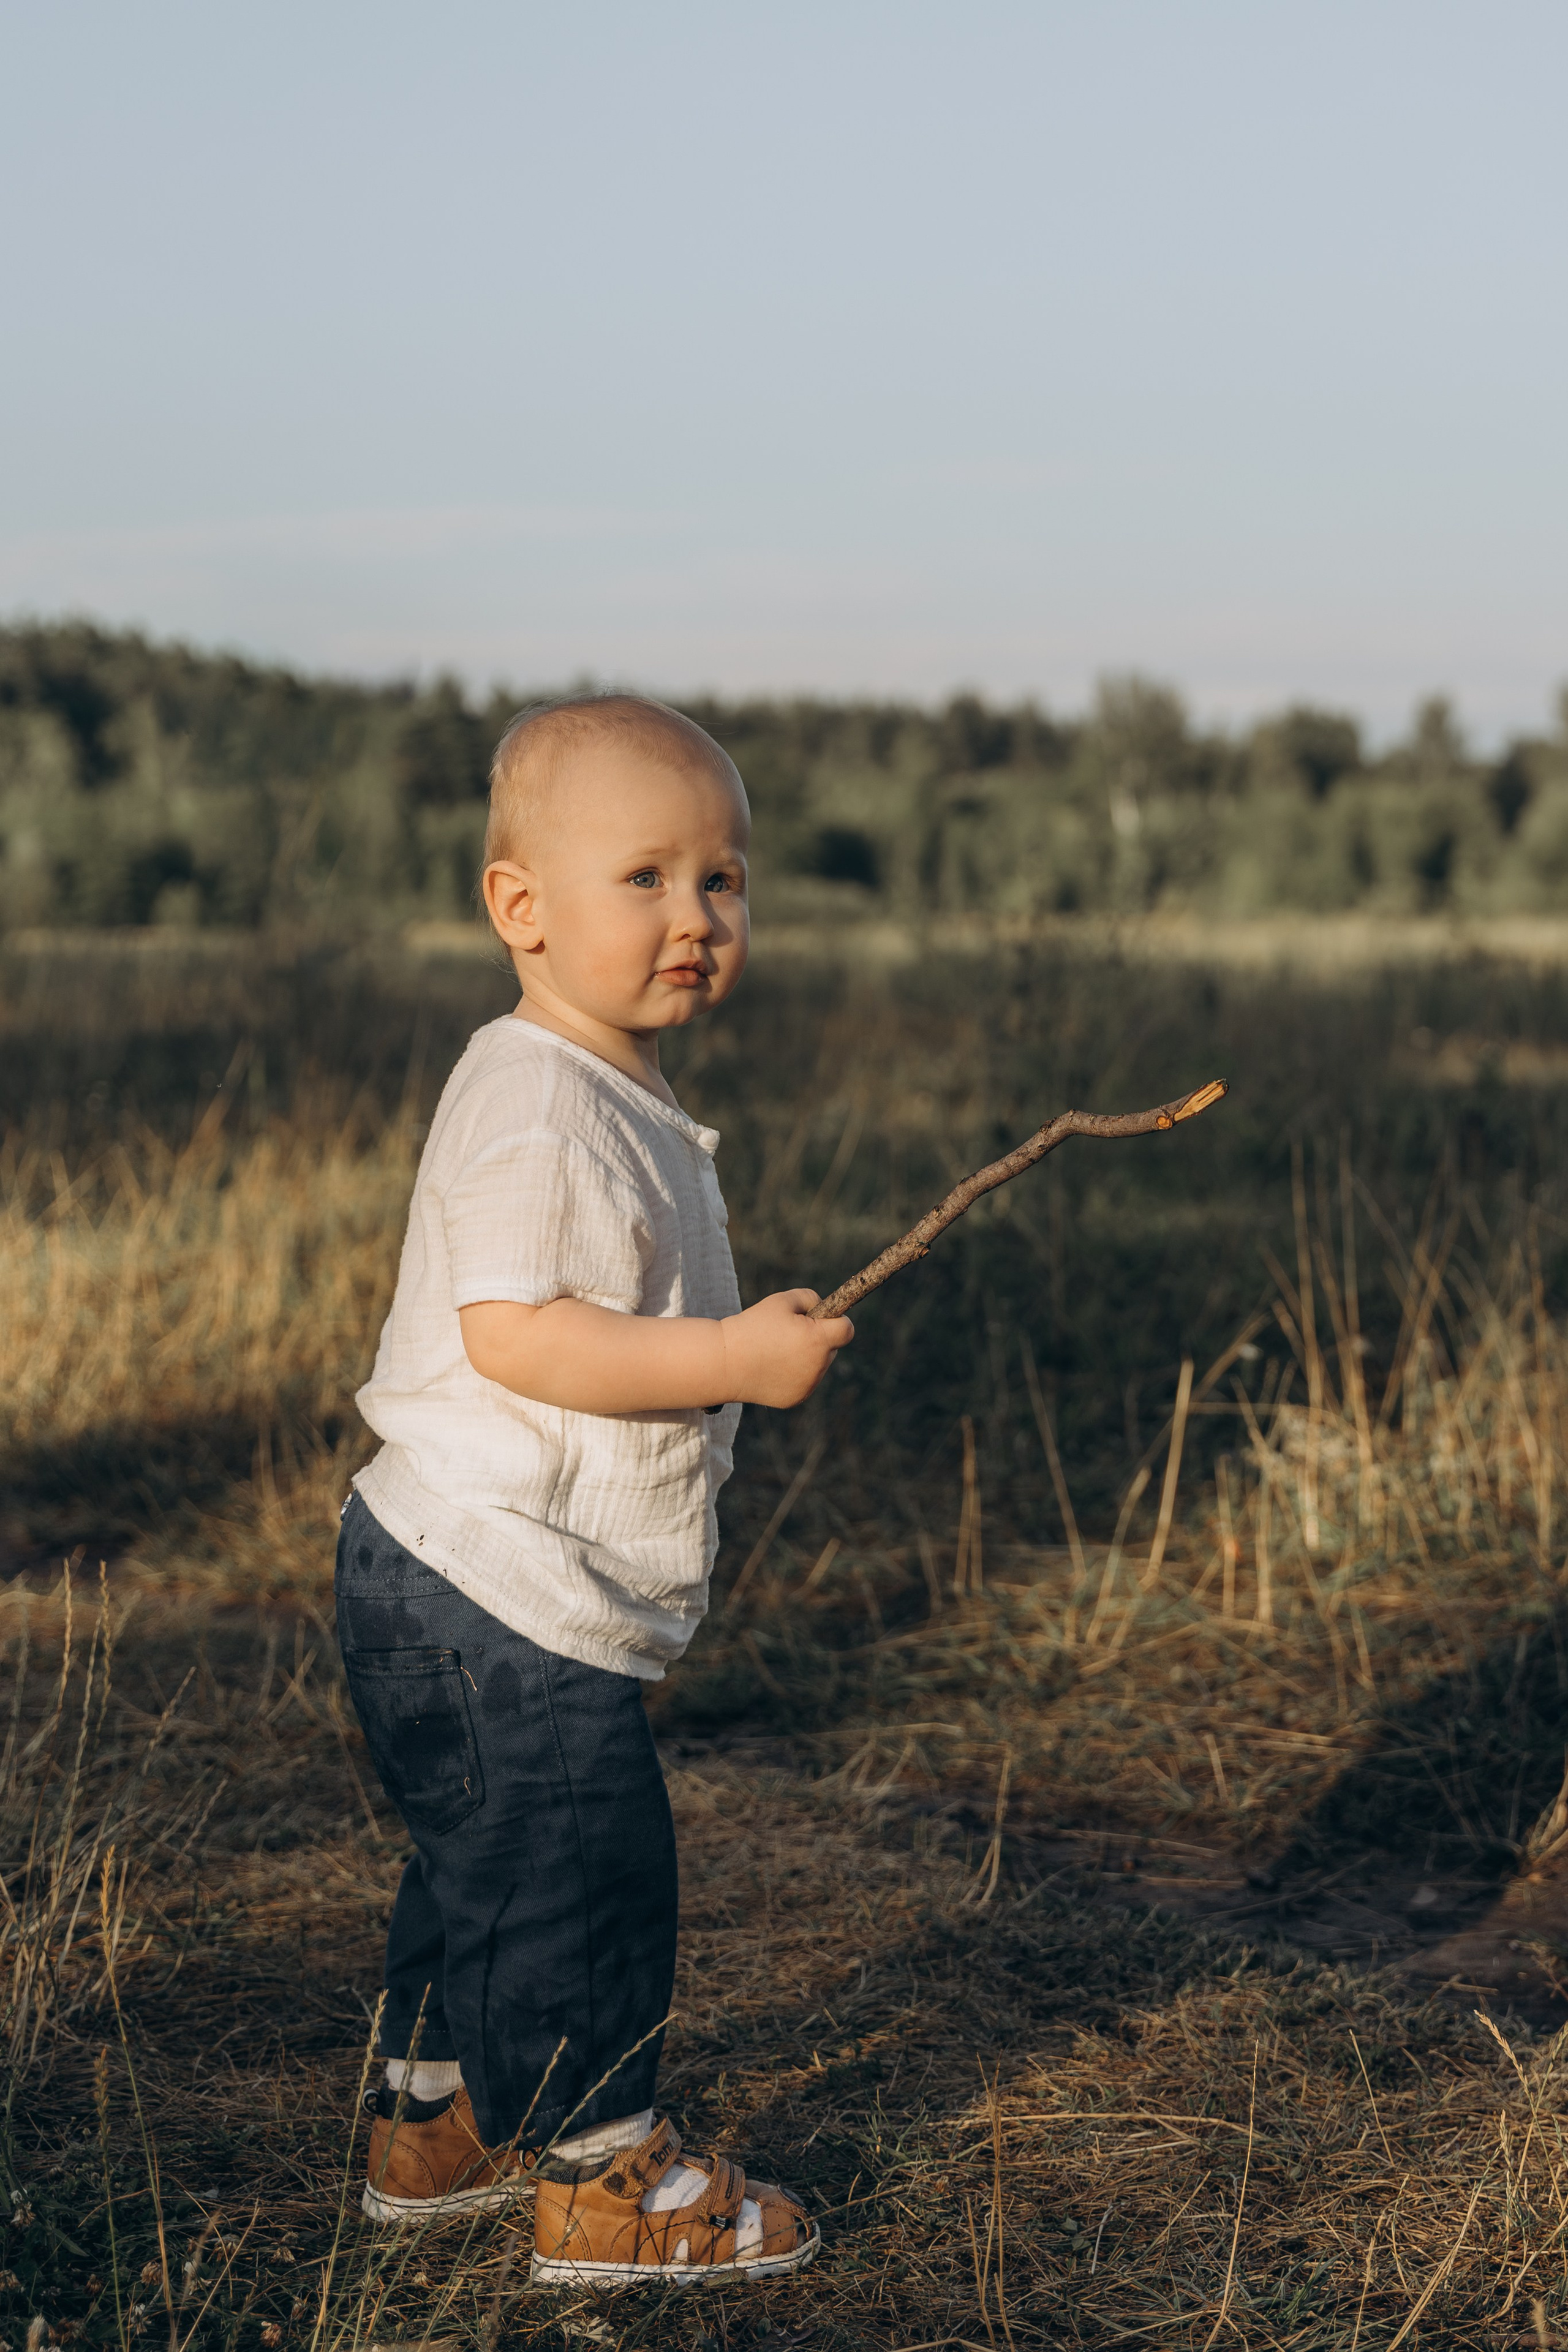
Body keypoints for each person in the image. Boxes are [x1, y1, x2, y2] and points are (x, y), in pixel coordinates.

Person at [336, 694, 853, 2283]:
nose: (697, 918)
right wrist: (722, 1358)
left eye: (723, 880)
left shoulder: (595, 1085)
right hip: (497, 1591)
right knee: (580, 1877)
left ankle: (444, 2126)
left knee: (488, 1866)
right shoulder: (542, 1101)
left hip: (462, 1582)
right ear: (522, 908)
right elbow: (520, 1335)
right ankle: (603, 2177)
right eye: (646, 878)